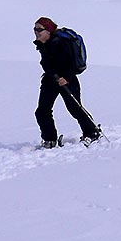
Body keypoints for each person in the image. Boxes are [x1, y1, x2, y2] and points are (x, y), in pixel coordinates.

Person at [33, 17, 102, 147]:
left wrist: (66, 77)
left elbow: (70, 63)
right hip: (50, 79)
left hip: (67, 80)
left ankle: (92, 133)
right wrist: (52, 73)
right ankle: (50, 139)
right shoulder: (42, 44)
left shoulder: (60, 43)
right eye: (35, 29)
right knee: (42, 111)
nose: (36, 32)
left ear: (48, 30)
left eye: (39, 29)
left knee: (75, 108)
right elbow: (46, 63)